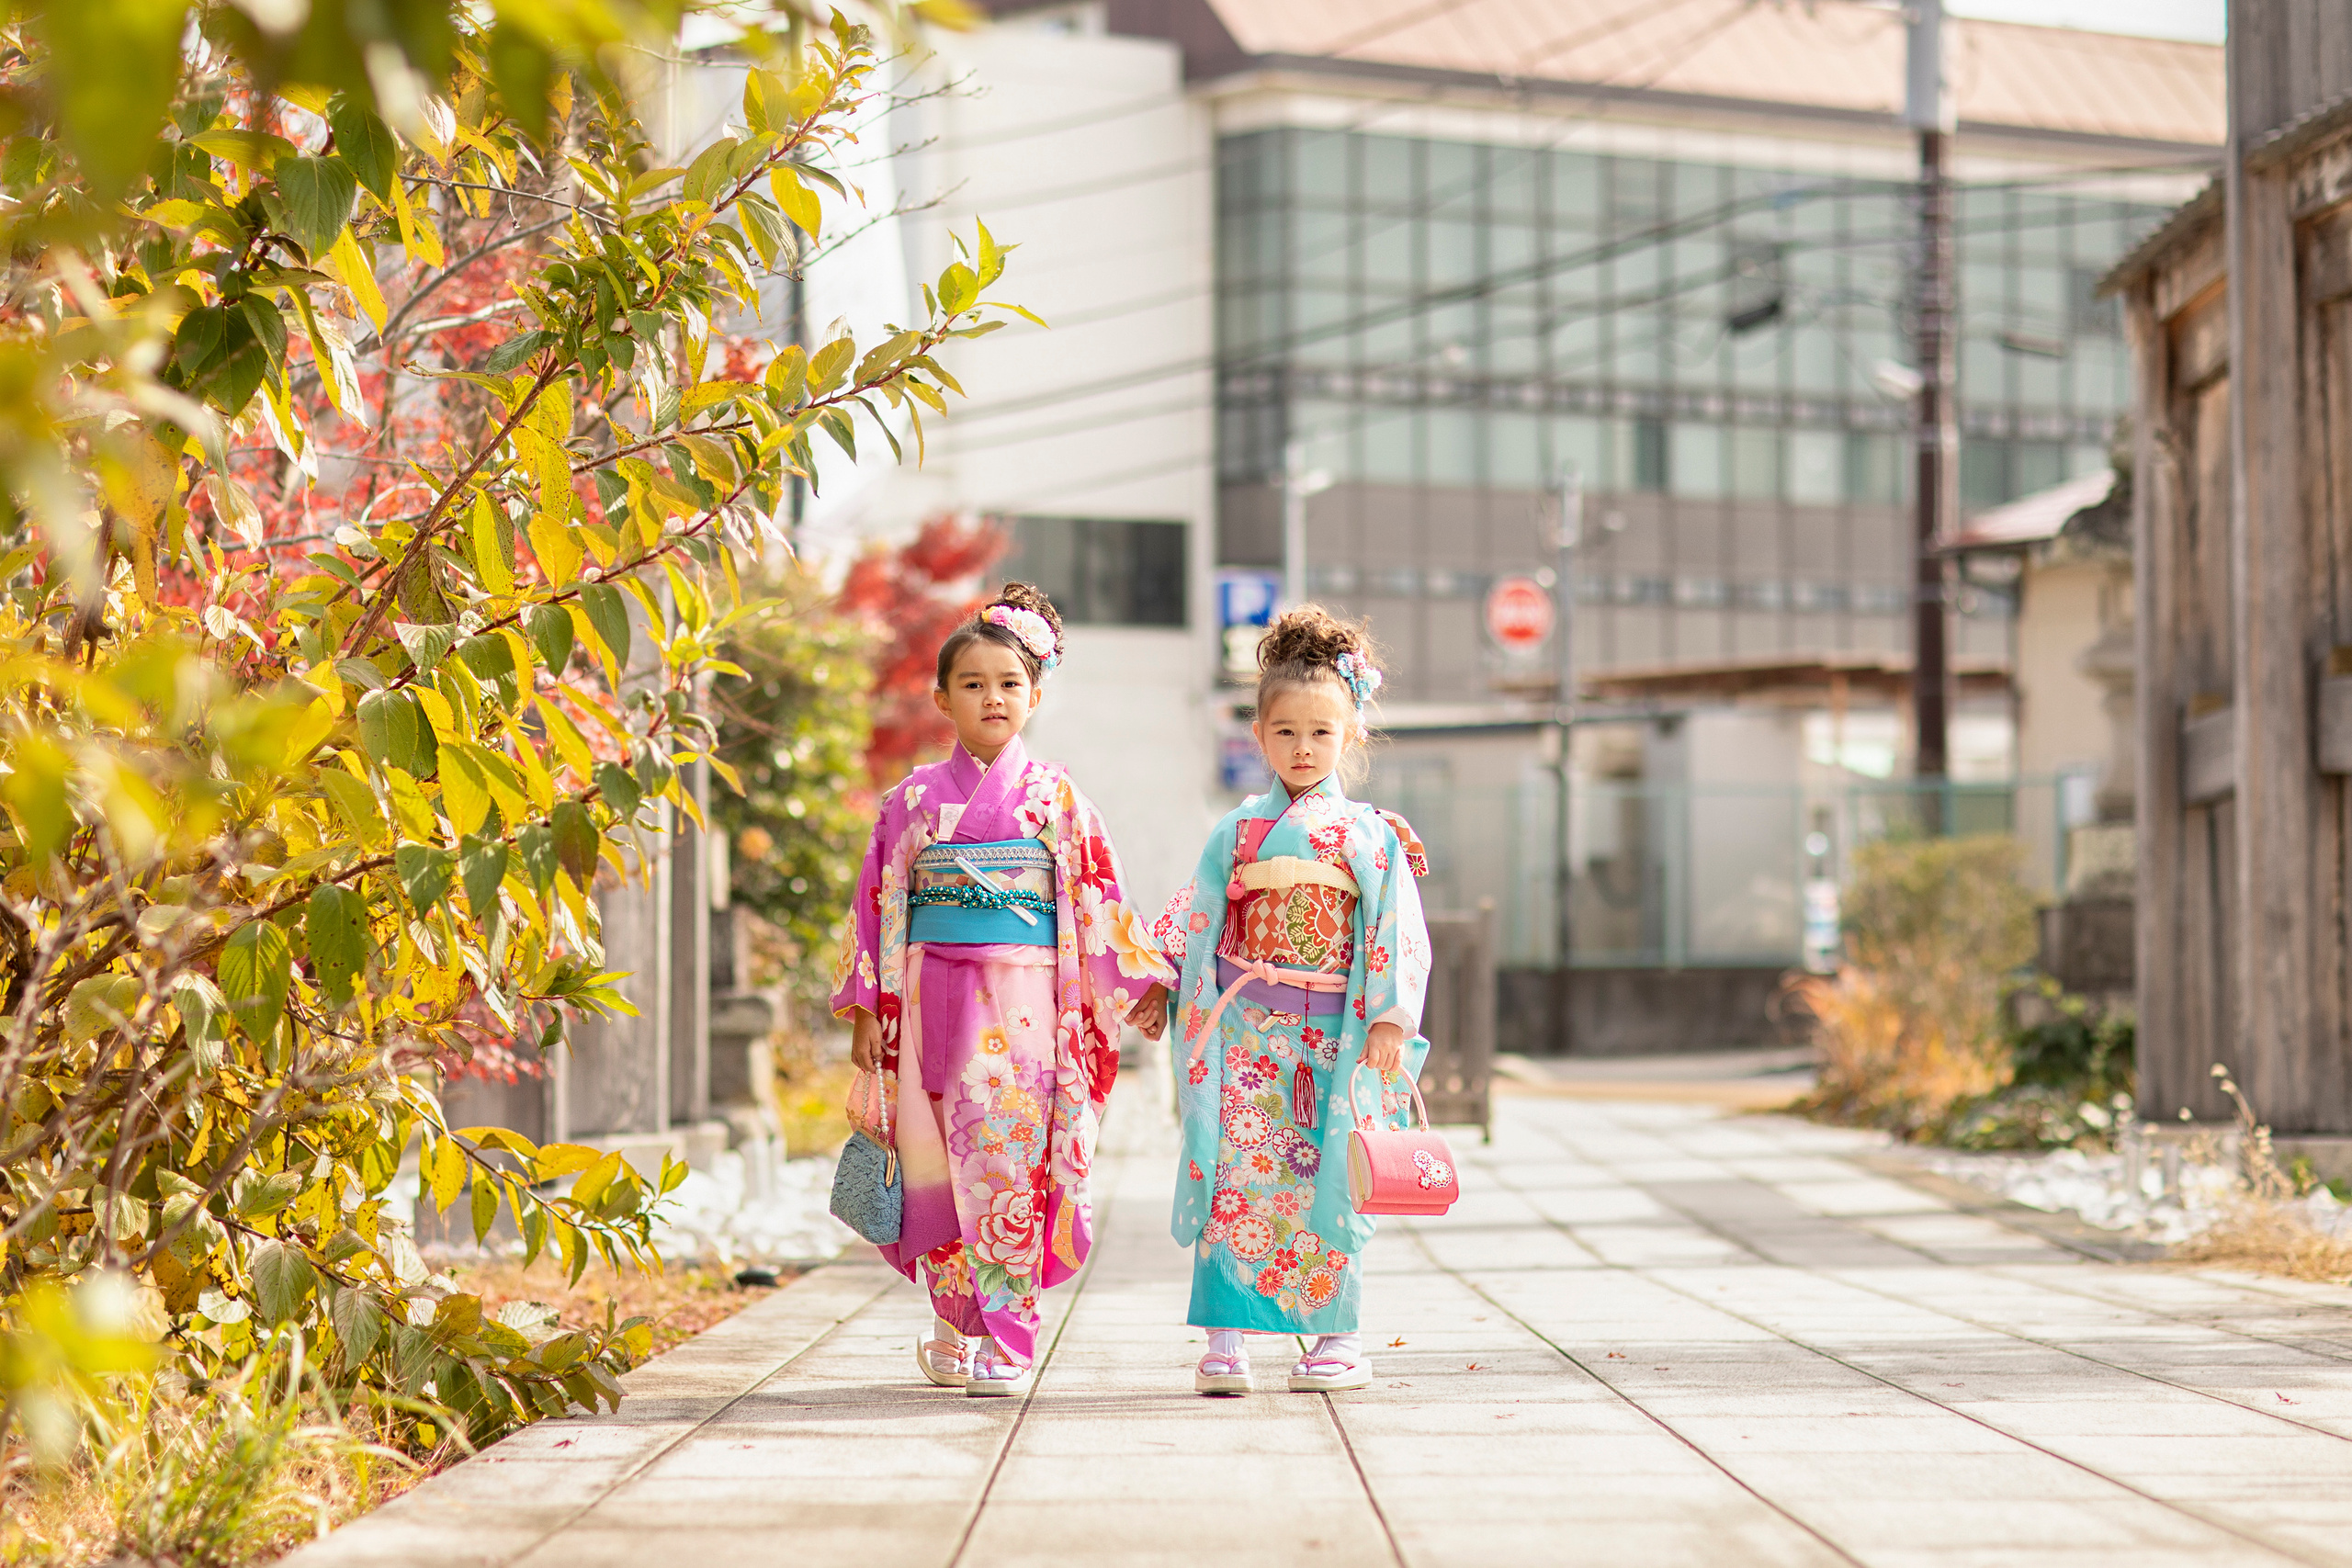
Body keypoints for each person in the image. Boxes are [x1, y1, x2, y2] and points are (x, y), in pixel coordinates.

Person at [831, 584, 1171, 1397]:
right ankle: (954, 1324)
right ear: (941, 696)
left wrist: (1138, 985)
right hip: (924, 1006)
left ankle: (1010, 1338)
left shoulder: (1057, 800)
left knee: (1005, 1160)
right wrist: (867, 1011)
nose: (993, 697)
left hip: (1021, 1013)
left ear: (1036, 694)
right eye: (974, 683)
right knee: (934, 1161)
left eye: (1010, 683)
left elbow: (1097, 897)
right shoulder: (910, 800)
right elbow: (877, 906)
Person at [1151, 605, 1431, 1395]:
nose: (1303, 749)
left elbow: (1397, 929)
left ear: (1351, 738)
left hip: (1335, 1037)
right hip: (1246, 1032)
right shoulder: (1236, 833)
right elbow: (1196, 915)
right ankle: (1226, 1338)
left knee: (1330, 1181)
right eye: (1286, 733)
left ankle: (1331, 1335)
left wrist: (1388, 1014)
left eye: (1321, 733)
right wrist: (1160, 979)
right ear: (1259, 736)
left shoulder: (1371, 836)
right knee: (1235, 1174)